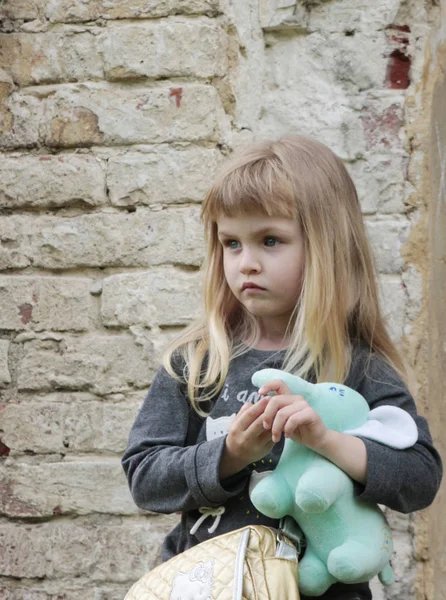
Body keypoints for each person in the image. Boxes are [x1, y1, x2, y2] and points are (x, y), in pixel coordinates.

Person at [122, 136, 442, 599]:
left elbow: (420, 477)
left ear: (325, 247)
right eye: (231, 243)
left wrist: (327, 441)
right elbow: (145, 476)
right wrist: (230, 455)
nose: (246, 263)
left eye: (270, 240)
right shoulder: (196, 363)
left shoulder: (358, 369)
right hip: (209, 586)